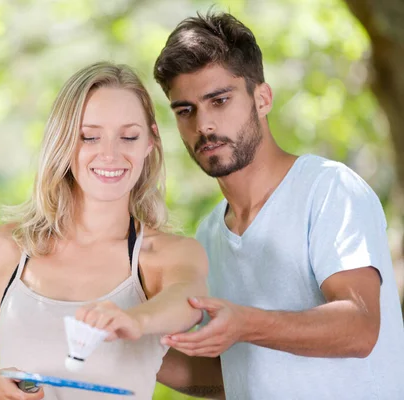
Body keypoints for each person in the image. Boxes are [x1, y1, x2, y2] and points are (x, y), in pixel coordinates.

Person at [152, 11, 404, 400]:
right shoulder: (206, 236)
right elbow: (231, 375)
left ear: (262, 98)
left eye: (219, 100)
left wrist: (246, 323)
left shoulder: (327, 189)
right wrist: (129, 351)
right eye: (185, 110)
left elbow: (360, 326)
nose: (203, 124)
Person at [0, 61, 209, 400]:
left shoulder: (167, 254)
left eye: (128, 137)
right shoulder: (4, 248)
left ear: (150, 142)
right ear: (64, 142)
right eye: (89, 136)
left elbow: (189, 299)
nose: (109, 154)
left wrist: (135, 321)